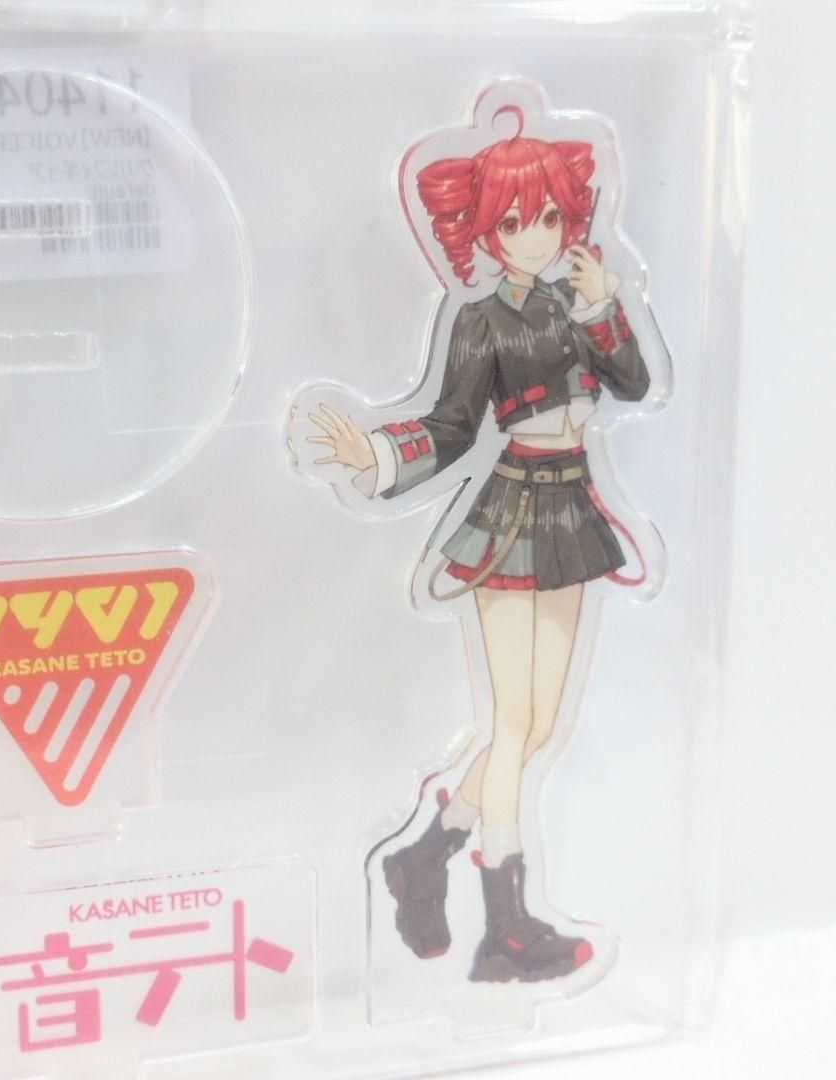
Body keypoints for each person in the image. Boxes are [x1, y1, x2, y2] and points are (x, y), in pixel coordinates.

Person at [307, 108, 651, 983]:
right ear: (487, 232)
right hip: (511, 515)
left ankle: (425, 855)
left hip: (572, 507)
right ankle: (505, 926)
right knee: (511, 725)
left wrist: (604, 307)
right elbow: (454, 425)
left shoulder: (577, 302)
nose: (536, 235)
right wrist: (379, 455)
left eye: (549, 216)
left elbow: (633, 382)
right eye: (515, 220)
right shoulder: (480, 321)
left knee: (536, 728)